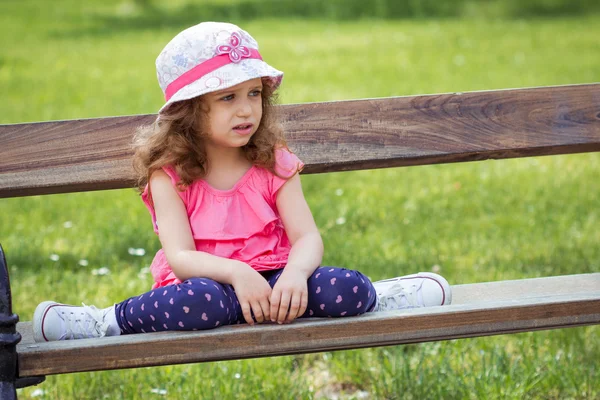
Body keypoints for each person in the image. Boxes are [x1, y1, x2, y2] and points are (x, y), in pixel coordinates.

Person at [33, 22, 452, 342]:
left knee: (344, 288)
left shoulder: (272, 162)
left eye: (254, 94)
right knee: (198, 303)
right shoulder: (170, 175)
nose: (246, 110)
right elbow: (179, 256)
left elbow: (307, 238)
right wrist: (236, 273)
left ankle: (384, 295)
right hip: (212, 289)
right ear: (189, 110)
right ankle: (104, 321)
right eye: (227, 98)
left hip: (279, 284)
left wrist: (293, 275)